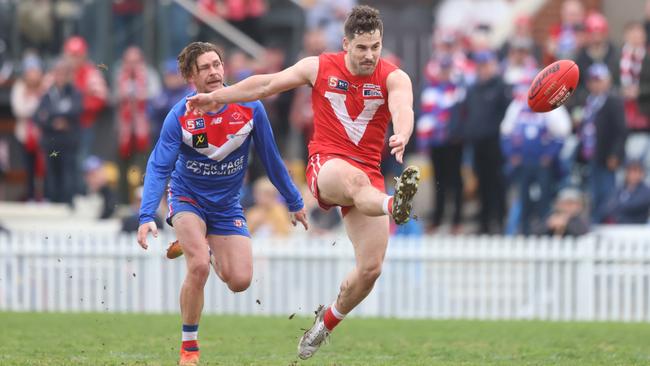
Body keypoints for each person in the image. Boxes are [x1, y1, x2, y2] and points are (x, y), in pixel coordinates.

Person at [186, 5, 420, 360]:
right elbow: (265, 83)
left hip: (368, 174)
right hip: (326, 164)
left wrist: (401, 134)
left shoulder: (394, 77)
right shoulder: (318, 66)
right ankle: (394, 205)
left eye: (376, 46)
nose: (370, 55)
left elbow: (404, 107)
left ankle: (325, 323)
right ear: (345, 43)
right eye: (362, 48)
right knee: (357, 182)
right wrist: (217, 96)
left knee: (370, 269)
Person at [135, 41, 309, 366]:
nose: (215, 72)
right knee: (198, 265)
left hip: (227, 205)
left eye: (217, 64)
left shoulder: (250, 107)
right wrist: (146, 215)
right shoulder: (180, 116)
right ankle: (189, 348)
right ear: (191, 75)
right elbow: (159, 166)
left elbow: (271, 159)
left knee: (240, 281)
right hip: (187, 198)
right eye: (206, 67)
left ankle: (204, 247)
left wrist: (294, 200)